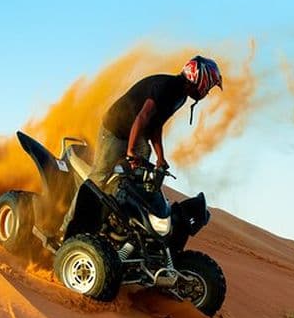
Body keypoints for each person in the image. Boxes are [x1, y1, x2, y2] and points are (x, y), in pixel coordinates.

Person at [58, 55, 223, 234]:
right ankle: (66, 226)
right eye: (209, 86)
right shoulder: (168, 87)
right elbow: (143, 117)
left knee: (141, 175)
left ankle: (119, 218)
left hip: (135, 134)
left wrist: (161, 157)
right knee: (98, 176)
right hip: (116, 130)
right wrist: (130, 151)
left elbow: (155, 125)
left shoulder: (180, 97)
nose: (207, 92)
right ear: (200, 78)